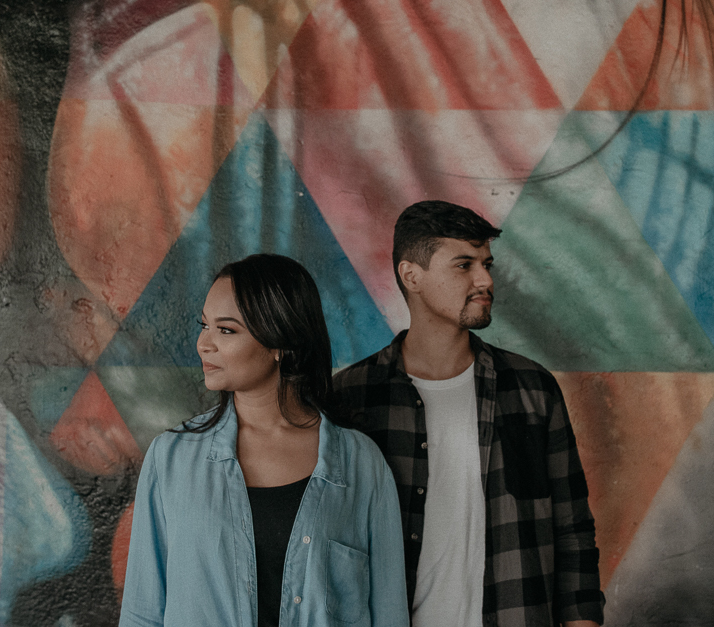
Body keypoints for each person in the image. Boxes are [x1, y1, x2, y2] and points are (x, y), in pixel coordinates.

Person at [332, 201, 604, 627]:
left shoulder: (532, 389)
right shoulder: (351, 396)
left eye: (487, 264)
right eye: (464, 265)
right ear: (411, 276)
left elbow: (572, 529)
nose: (485, 280)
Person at [119, 253, 409, 627]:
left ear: (280, 344)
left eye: (226, 330)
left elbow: (389, 614)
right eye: (203, 325)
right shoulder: (172, 457)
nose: (203, 344)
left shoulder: (360, 463)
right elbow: (142, 613)